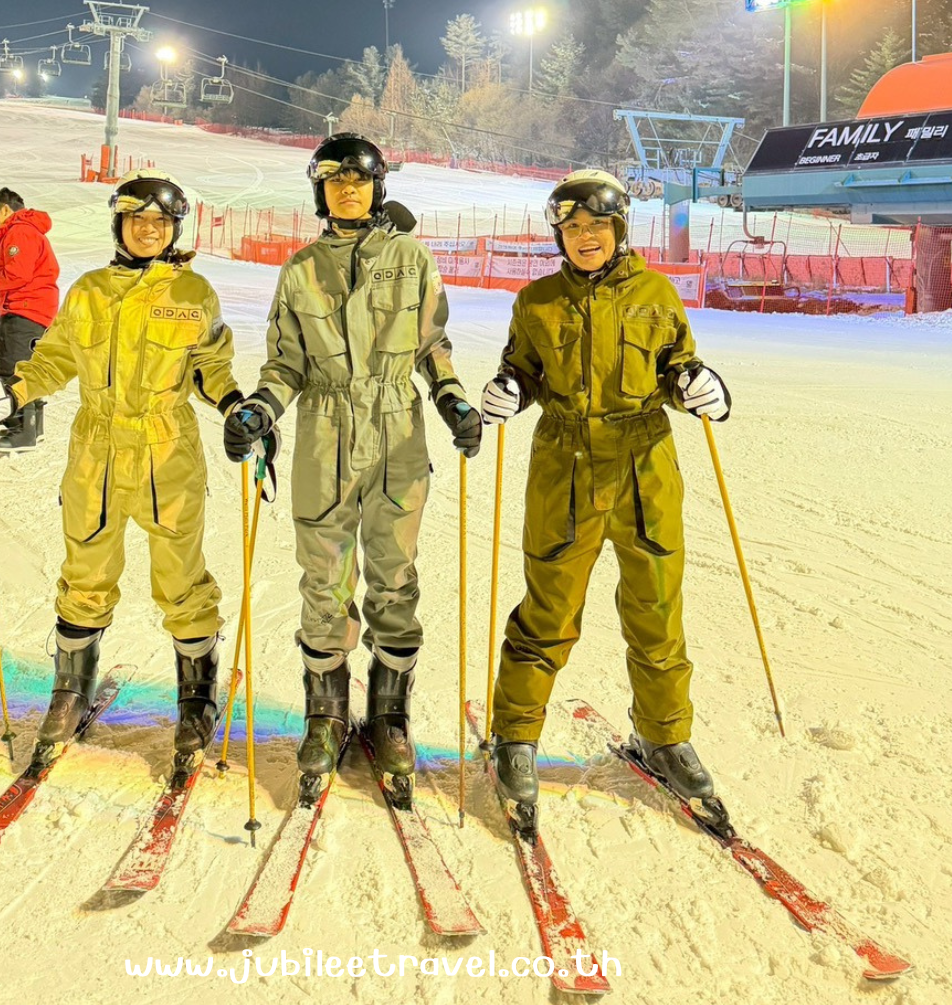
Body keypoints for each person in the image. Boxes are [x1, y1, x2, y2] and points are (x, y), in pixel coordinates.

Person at [222, 134, 478, 799]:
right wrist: (260, 409)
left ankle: (389, 717)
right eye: (333, 180)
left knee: (394, 575)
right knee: (324, 578)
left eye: (358, 180)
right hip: (324, 431)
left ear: (376, 186)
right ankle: (326, 715)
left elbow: (431, 345)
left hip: (396, 430)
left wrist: (450, 398)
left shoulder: (410, 257)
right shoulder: (301, 268)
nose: (346, 190)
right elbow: (285, 363)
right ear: (320, 190)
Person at [476, 169, 733, 828]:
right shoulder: (536, 301)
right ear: (558, 236)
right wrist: (510, 390)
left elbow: (678, 367)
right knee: (548, 607)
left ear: (618, 230)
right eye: (572, 227)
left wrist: (700, 386)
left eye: (596, 226)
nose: (584, 237)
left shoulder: (656, 294)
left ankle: (664, 736)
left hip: (644, 465)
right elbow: (523, 370)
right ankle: (516, 736)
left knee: (657, 605)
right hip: (565, 465)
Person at [0, 172, 243, 764]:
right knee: (85, 568)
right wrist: (9, 396)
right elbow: (52, 359)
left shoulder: (193, 293)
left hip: (166, 450)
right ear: (119, 225)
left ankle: (196, 697)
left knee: (181, 576)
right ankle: (71, 688)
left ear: (174, 229)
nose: (148, 231)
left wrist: (237, 406)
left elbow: (211, 367)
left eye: (160, 222)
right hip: (95, 450)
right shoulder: (88, 291)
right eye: (137, 220)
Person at [0, 187, 59, 453]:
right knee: (27, 366)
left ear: (5, 209)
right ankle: (32, 428)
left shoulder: (19, 231)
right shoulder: (27, 229)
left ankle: (22, 432)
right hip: (35, 307)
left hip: (24, 307)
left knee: (13, 368)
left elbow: (17, 274)